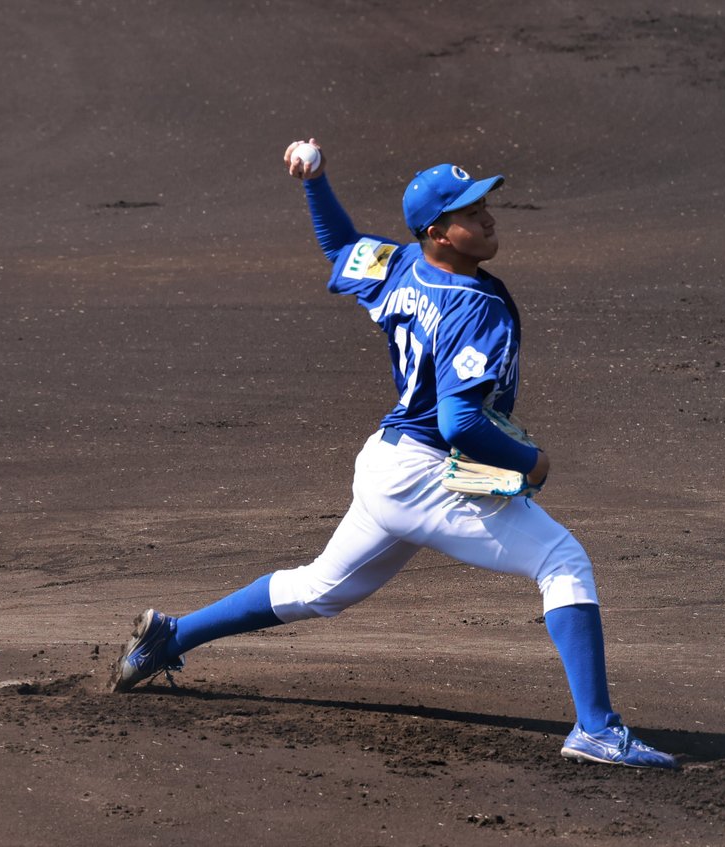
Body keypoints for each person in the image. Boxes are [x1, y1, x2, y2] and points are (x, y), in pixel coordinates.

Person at [108, 139, 678, 770]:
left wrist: (315, 180)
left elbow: (338, 246)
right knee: (562, 560)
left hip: (387, 463)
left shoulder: (402, 264)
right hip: (426, 472)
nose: (488, 218)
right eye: (471, 212)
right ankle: (596, 729)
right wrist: (531, 461)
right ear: (439, 231)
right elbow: (461, 422)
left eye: (486, 204)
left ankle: (170, 637)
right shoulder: (475, 306)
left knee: (317, 590)